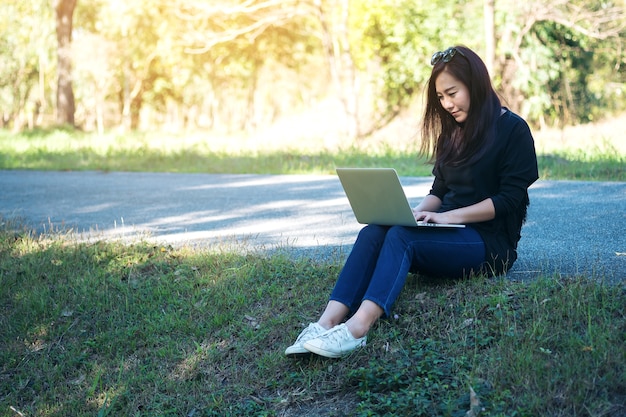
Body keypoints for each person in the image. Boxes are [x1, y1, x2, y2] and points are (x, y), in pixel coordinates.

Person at [285, 45, 539, 359]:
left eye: (452, 93)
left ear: (475, 83)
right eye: (441, 98)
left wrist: (448, 218)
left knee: (402, 237)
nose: (446, 104)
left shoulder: (513, 130)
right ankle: (326, 323)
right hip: (448, 234)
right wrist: (416, 213)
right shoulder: (452, 134)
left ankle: (357, 329)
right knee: (376, 230)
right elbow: (440, 190)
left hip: (490, 244)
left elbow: (510, 199)